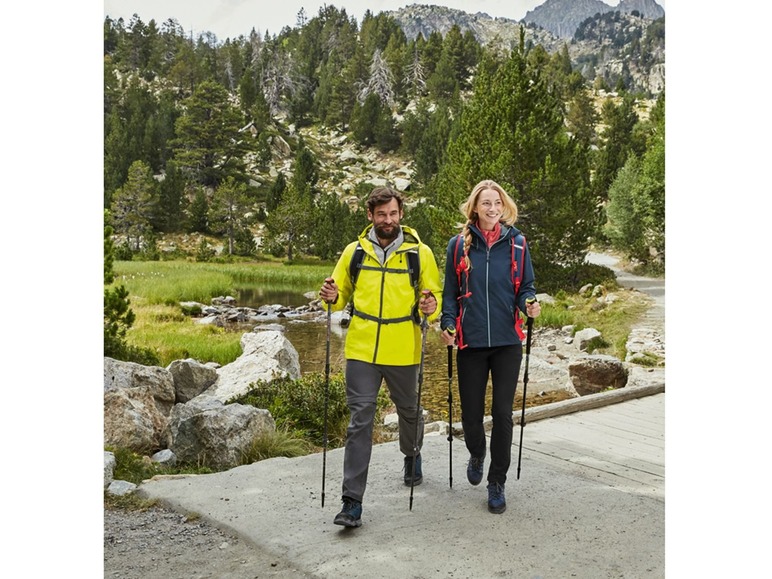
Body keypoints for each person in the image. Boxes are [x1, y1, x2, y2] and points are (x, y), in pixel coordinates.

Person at [319, 186, 442, 528]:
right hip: (361, 348)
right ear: (370, 216)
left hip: (403, 346)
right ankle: (352, 502)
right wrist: (330, 295)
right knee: (360, 421)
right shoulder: (353, 252)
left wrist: (431, 306)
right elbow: (339, 295)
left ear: (401, 214)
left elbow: (434, 295)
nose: (388, 220)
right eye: (381, 214)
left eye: (393, 213)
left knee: (410, 411)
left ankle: (412, 454)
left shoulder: (420, 253)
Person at [439, 179, 541, 514]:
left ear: (504, 205)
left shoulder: (518, 244)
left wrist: (529, 302)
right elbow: (451, 294)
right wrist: (447, 324)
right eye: (486, 203)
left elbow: (526, 286)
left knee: (502, 414)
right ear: (475, 207)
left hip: (507, 342)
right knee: (470, 415)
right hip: (471, 342)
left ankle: (497, 481)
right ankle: (477, 452)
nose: (492, 208)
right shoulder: (458, 246)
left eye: (497, 203)